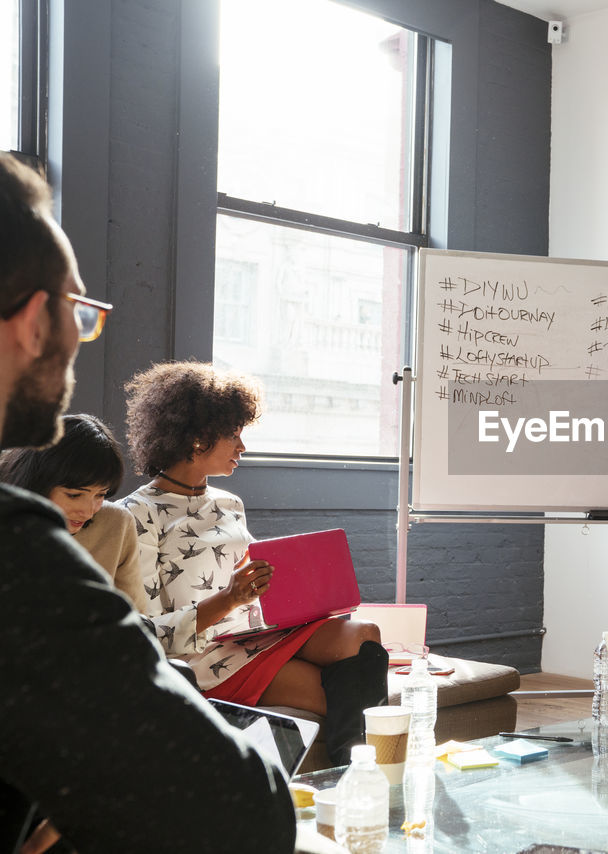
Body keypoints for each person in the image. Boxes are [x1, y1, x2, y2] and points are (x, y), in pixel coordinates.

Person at [0, 153, 295, 852]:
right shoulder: (15, 551)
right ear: (35, 321)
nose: (81, 332)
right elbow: (239, 811)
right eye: (80, 309)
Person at [120, 360, 387, 766]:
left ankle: (359, 782)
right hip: (205, 658)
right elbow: (148, 635)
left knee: (364, 633)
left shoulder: (230, 504)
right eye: (233, 435)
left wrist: (305, 596)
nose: (242, 447)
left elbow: (255, 590)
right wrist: (228, 599)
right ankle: (355, 784)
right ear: (197, 439)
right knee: (343, 698)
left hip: (258, 634)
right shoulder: (136, 515)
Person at [0, 412, 147, 610]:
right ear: (36, 483)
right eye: (74, 495)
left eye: (101, 495)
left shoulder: (116, 524)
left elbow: (136, 620)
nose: (88, 512)